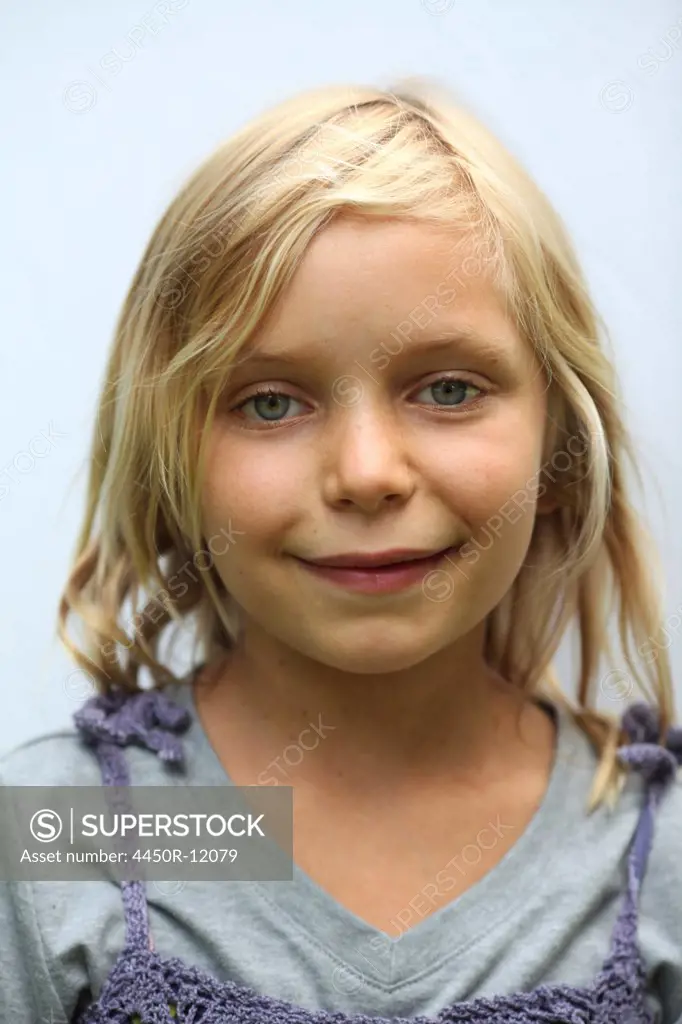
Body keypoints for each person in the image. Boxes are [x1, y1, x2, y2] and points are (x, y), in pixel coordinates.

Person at [1, 78, 681, 1024]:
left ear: (563, 444)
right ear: (169, 466)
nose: (366, 474)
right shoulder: (68, 836)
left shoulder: (660, 857)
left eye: (447, 390)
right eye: (270, 402)